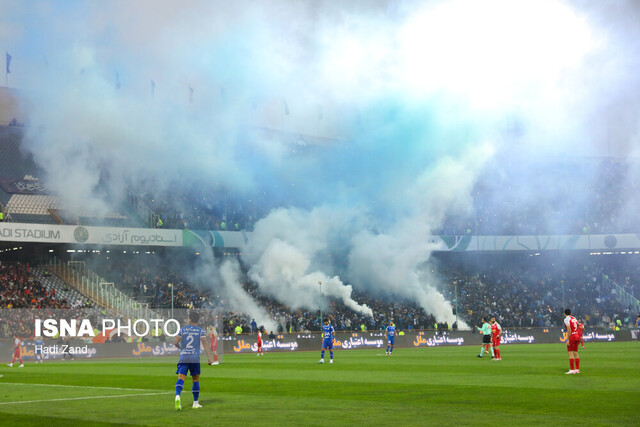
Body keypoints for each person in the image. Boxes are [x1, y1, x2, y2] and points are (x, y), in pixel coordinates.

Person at [173, 311, 213, 410]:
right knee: (195, 379)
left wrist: (181, 348)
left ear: (189, 319)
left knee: (181, 378)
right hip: (194, 358)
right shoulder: (200, 331)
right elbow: (204, 342)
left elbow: (175, 342)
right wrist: (209, 357)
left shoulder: (183, 330)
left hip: (184, 357)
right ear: (198, 320)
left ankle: (177, 396)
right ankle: (195, 403)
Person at [564, 309, 581, 374]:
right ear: (571, 313)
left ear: (564, 314)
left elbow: (569, 329)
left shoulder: (566, 319)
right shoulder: (574, 318)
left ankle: (572, 370)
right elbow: (579, 326)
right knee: (575, 352)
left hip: (572, 336)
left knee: (570, 353)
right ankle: (577, 369)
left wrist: (568, 339)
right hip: (577, 336)